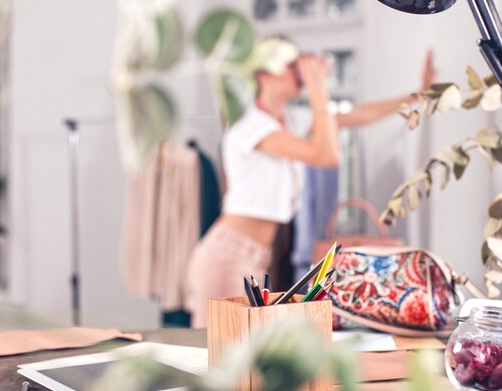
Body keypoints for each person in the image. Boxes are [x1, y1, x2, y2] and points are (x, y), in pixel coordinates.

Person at [186, 36, 436, 328]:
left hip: (257, 255)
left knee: (243, 353)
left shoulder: (290, 119)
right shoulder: (248, 124)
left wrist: (419, 95)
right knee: (215, 352)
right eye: (291, 65)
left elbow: (358, 116)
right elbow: (327, 155)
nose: (300, 71)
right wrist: (318, 87)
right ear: (262, 73)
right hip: (227, 255)